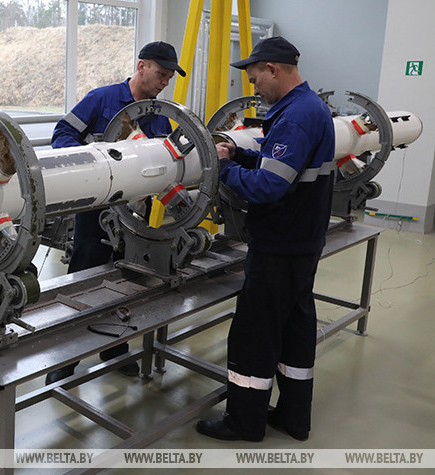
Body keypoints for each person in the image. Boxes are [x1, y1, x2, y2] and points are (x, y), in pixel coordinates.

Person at [195, 37, 336, 441]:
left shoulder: (294, 116)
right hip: (303, 239)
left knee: (255, 332)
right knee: (294, 327)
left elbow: (269, 186)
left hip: (280, 243)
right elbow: (285, 166)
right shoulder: (311, 108)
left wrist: (225, 170)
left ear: (273, 69)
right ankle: (293, 416)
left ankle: (244, 420)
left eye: (255, 78)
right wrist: (242, 156)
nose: (253, 87)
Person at [46, 41, 186, 385]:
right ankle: (68, 357)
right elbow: (62, 135)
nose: (165, 82)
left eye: (169, 77)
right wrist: (94, 164)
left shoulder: (159, 115)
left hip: (135, 214)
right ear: (141, 66)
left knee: (125, 279)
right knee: (84, 281)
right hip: (97, 211)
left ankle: (114, 347)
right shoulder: (102, 99)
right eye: (161, 73)